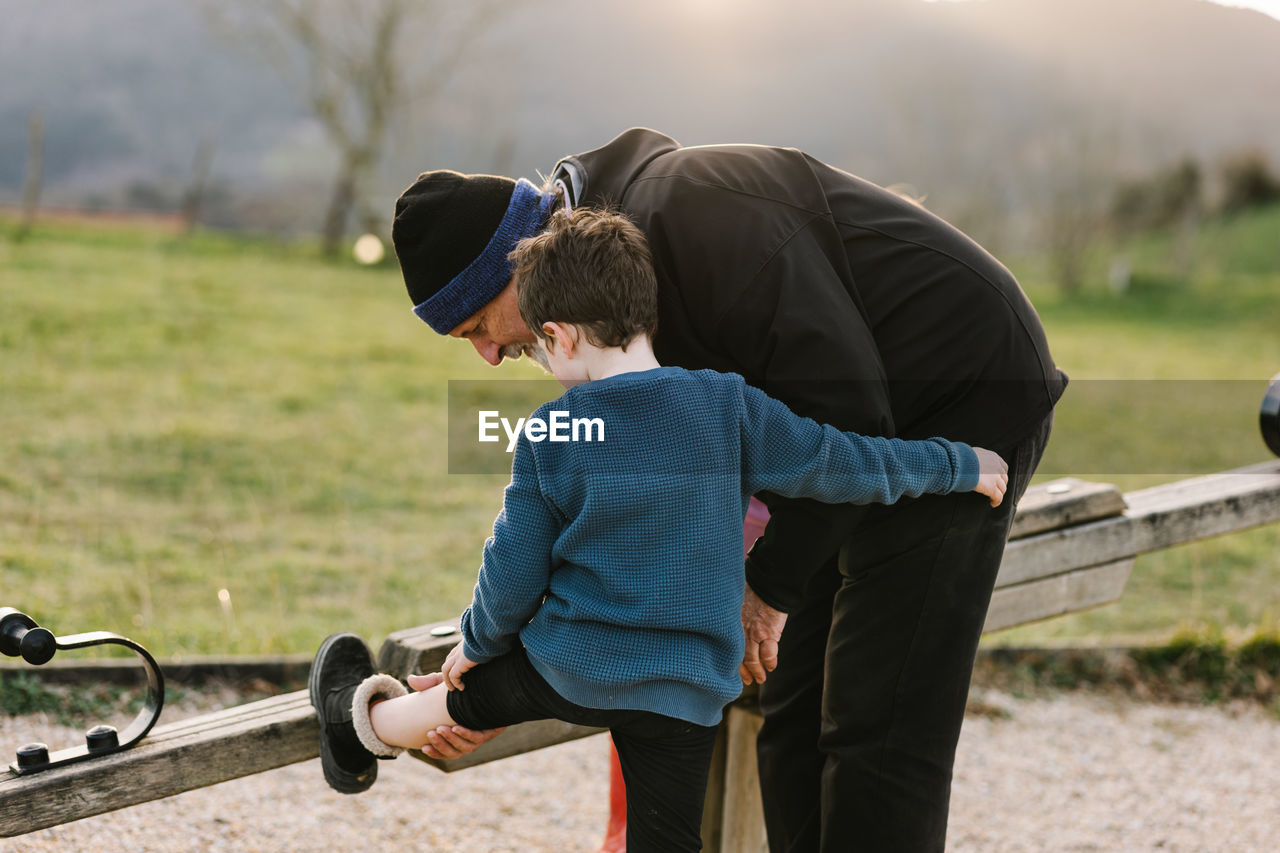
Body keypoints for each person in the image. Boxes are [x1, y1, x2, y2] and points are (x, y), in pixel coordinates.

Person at [388, 128, 1067, 852]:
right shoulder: (621, 306)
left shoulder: (695, 216)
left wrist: (768, 586)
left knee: (879, 723)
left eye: (476, 327)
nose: (490, 357)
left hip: (962, 398)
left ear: (517, 264)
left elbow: (847, 406)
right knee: (793, 715)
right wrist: (513, 675)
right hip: (857, 443)